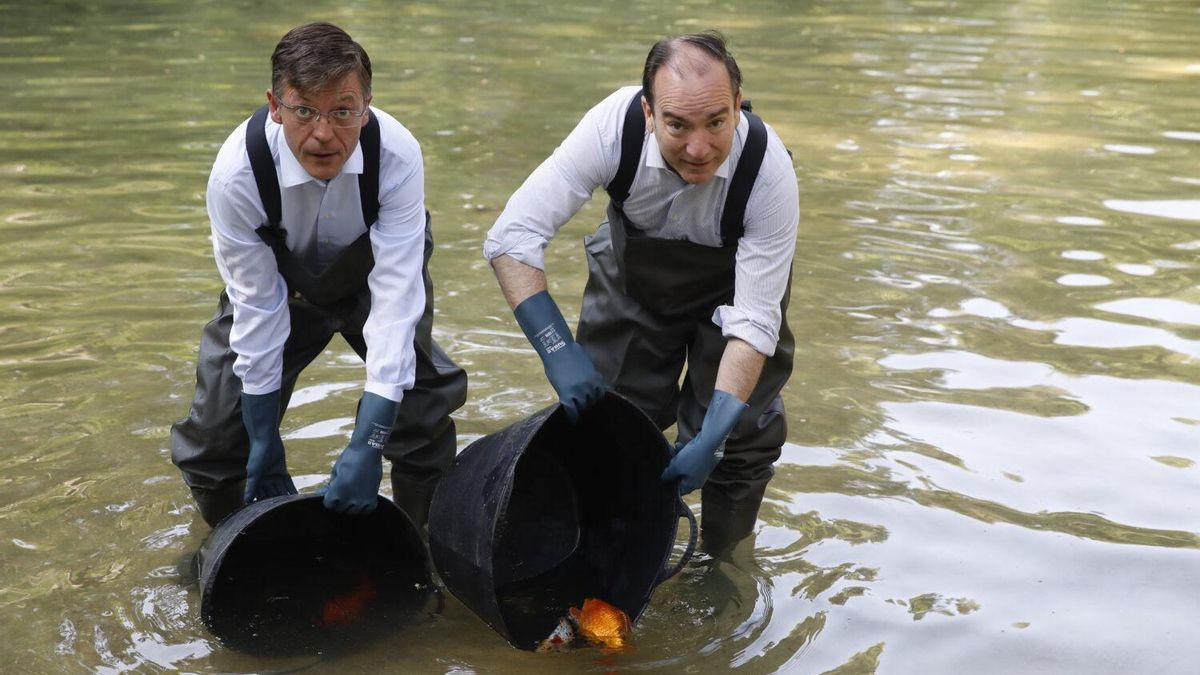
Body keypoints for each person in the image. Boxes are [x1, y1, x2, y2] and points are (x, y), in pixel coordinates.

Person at [484, 31, 797, 554]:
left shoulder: (769, 173)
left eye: (717, 122)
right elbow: (512, 238)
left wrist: (714, 433)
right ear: (649, 113)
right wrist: (558, 351)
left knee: (742, 440)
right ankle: (606, 557)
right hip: (632, 280)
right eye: (677, 125)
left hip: (736, 293)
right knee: (611, 424)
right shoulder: (611, 129)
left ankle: (725, 568)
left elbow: (756, 322)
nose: (699, 148)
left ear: (737, 106)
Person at [171, 22, 467, 529]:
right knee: (218, 439)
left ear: (367, 106)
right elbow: (256, 309)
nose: (323, 133)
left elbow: (396, 307)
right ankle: (228, 552)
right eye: (304, 110)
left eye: (343, 111)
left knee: (419, 415)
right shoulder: (236, 175)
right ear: (275, 105)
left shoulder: (396, 155)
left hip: (375, 276)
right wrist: (263, 437)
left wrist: (367, 442)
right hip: (279, 287)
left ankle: (426, 550)